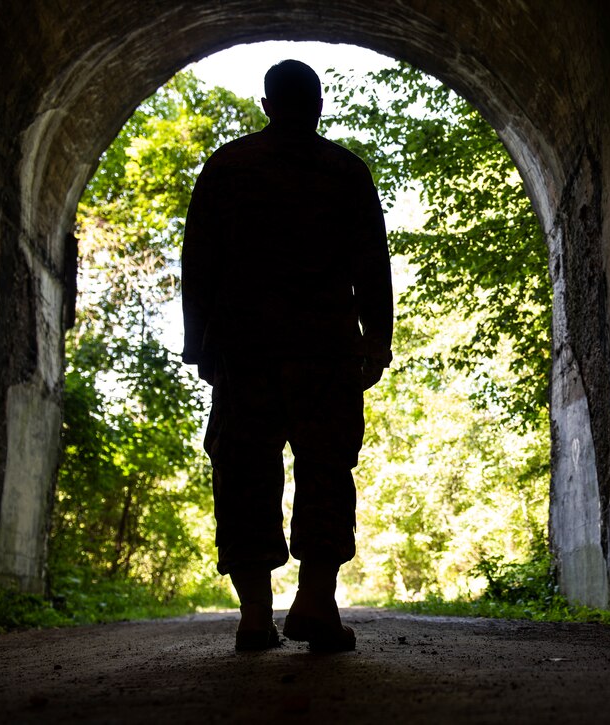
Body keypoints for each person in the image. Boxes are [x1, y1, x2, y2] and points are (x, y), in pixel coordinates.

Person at [181, 59, 392, 653]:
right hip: (325, 350)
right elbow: (372, 264)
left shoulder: (228, 167)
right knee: (326, 470)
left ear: (267, 105)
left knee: (243, 472)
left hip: (245, 350)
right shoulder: (346, 171)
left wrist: (199, 343)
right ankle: (316, 602)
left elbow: (198, 261)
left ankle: (255, 616)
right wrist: (376, 340)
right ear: (318, 106)